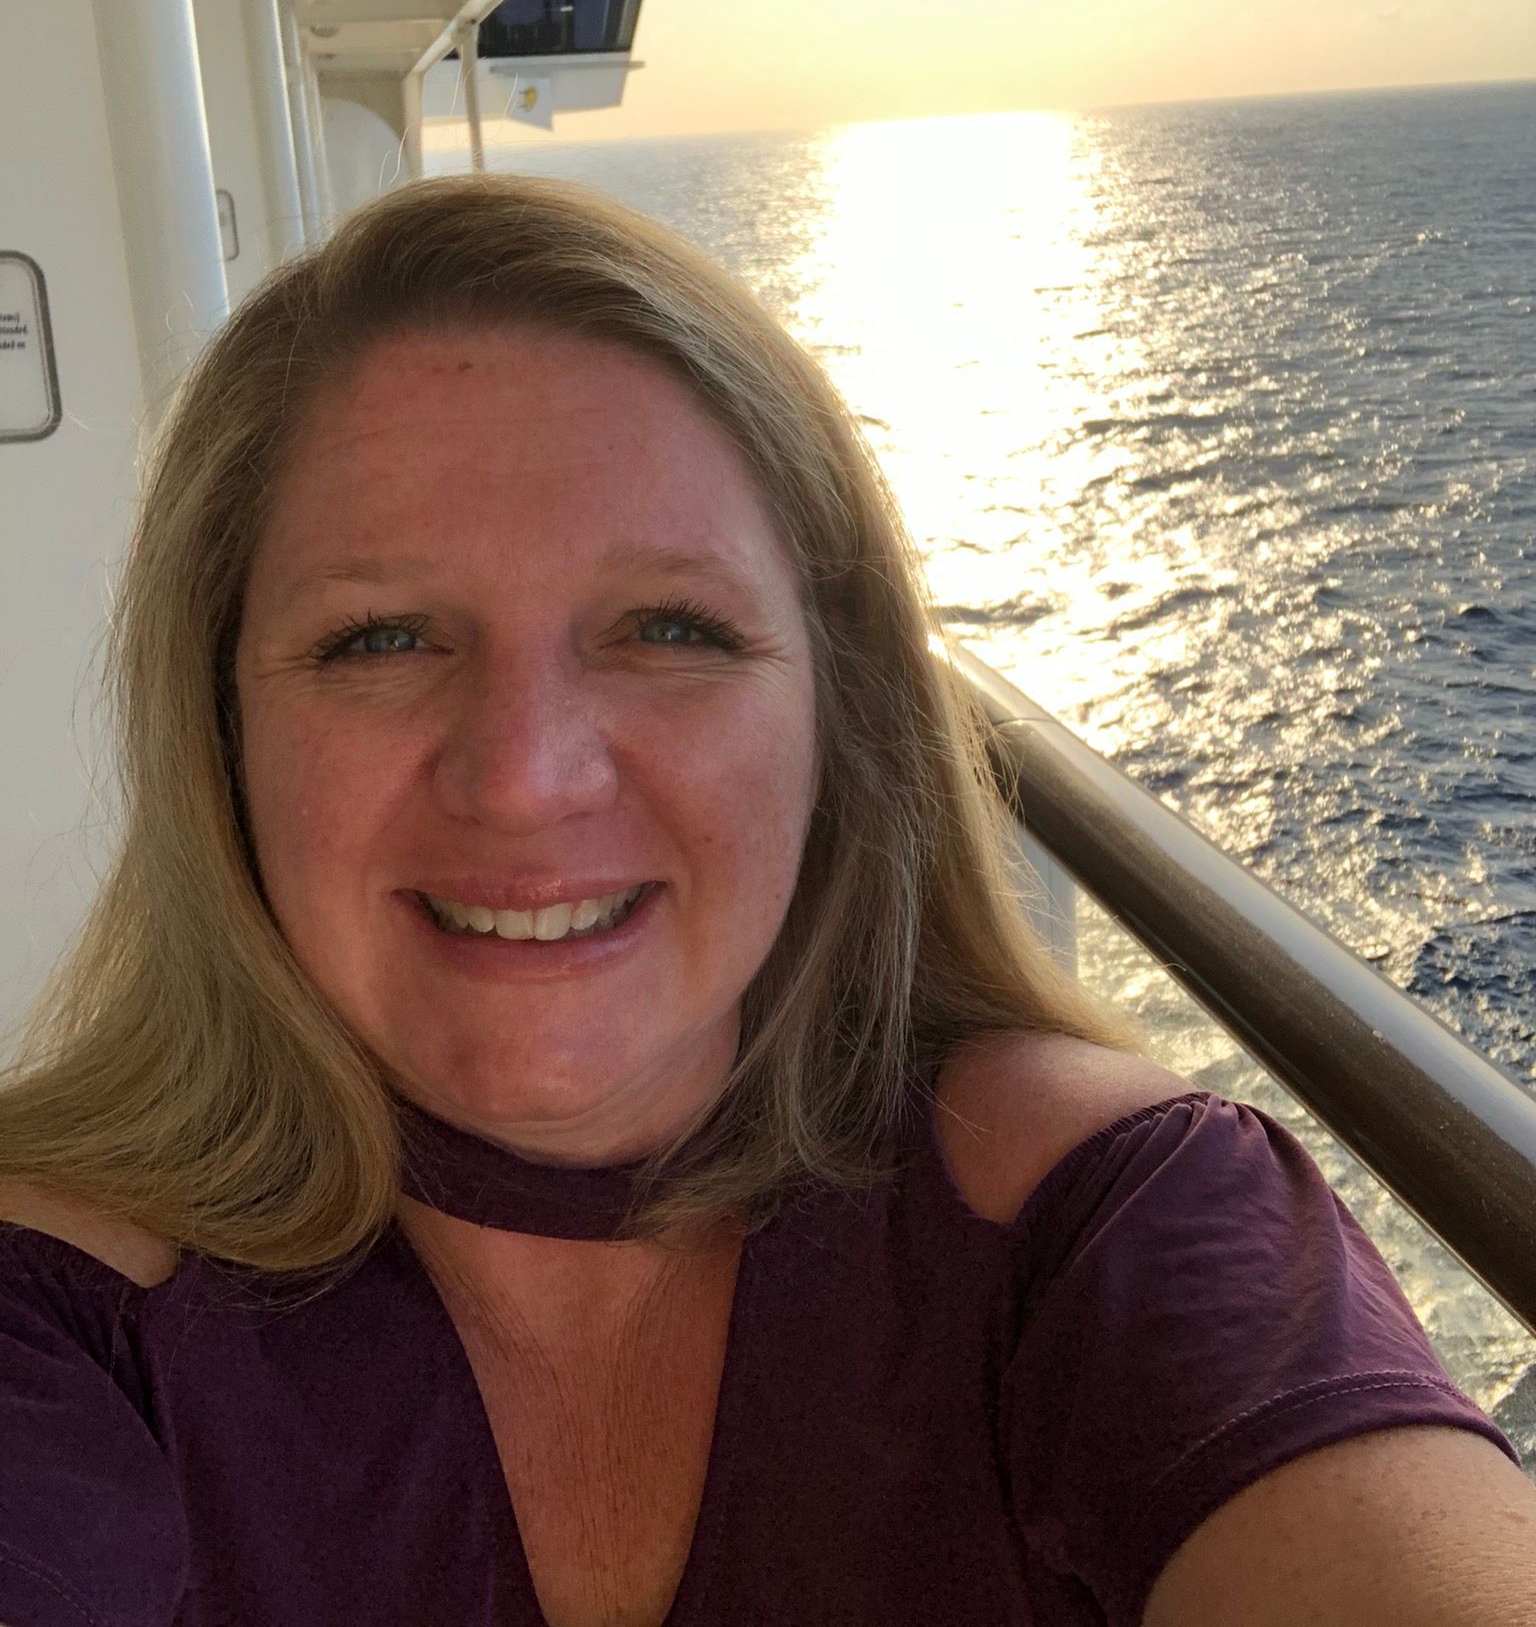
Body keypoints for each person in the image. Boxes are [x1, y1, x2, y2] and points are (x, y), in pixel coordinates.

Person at [0, 175, 1530, 1627]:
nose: (525, 775)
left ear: (838, 717)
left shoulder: (1116, 1222)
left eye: (669, 625)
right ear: (220, 735)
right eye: (381, 638)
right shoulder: (59, 1319)